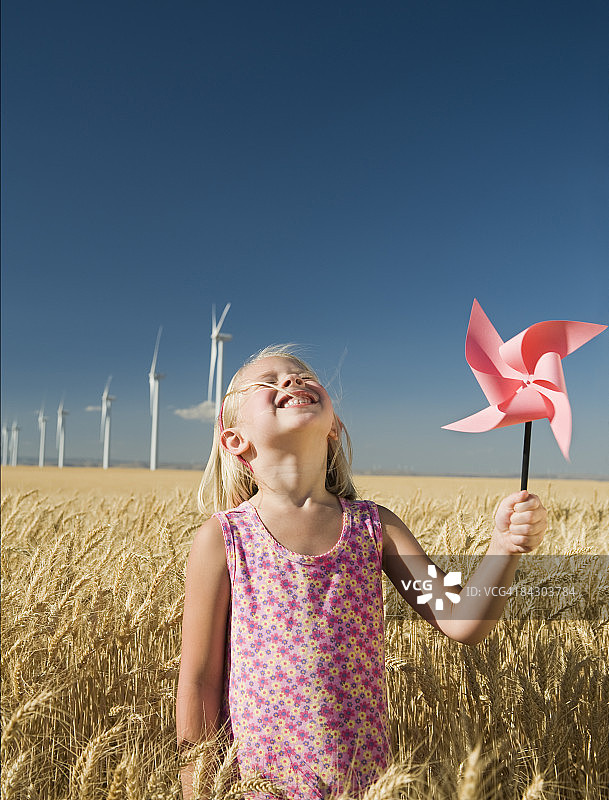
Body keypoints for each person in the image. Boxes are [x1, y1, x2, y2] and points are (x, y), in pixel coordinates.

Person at [175, 345, 547, 800]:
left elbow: (461, 620)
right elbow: (200, 678)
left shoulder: (376, 527)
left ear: (334, 428)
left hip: (364, 786)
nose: (292, 382)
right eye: (268, 382)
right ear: (234, 440)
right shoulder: (225, 538)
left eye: (303, 376)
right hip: (260, 788)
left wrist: (503, 548)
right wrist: (198, 786)